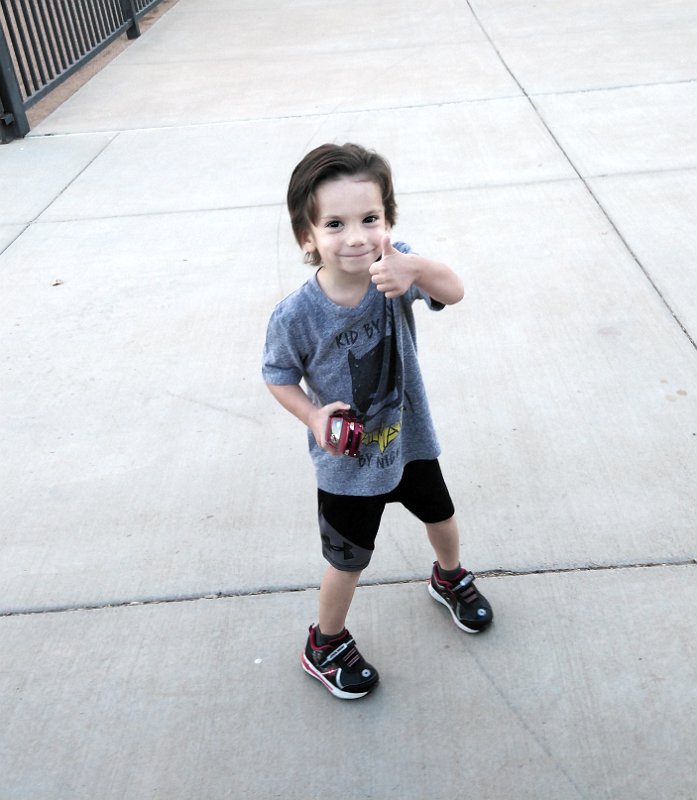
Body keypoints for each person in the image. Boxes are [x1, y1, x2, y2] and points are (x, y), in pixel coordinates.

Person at [262, 143, 493, 700]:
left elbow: (454, 290)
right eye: (335, 224)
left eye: (370, 218)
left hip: (409, 441)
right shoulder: (297, 316)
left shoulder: (397, 270)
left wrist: (417, 268)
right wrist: (313, 415)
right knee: (347, 562)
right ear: (307, 237)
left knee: (442, 516)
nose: (357, 237)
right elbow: (277, 376)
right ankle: (325, 643)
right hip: (348, 466)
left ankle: (449, 575)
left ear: (388, 220)